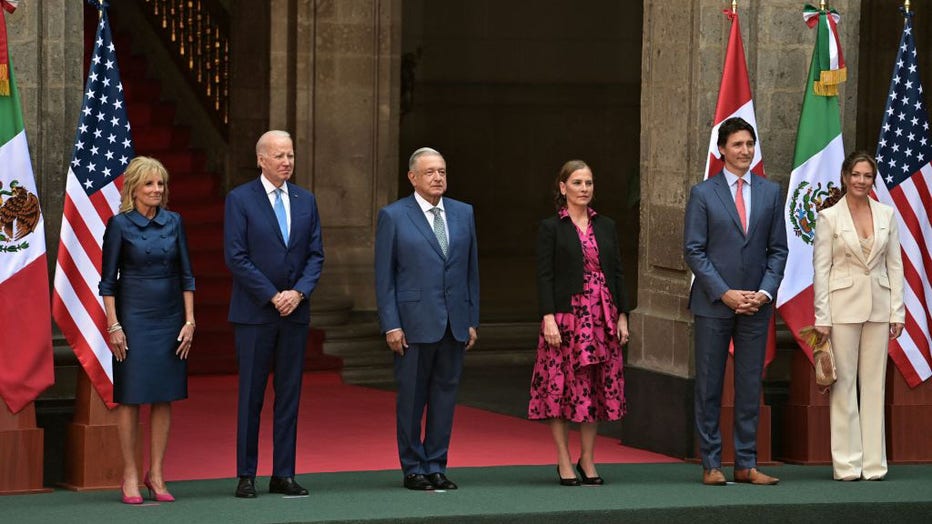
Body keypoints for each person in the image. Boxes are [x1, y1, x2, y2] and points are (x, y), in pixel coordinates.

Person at [683, 117, 787, 486]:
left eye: (750, 144)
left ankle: (746, 463)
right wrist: (725, 293)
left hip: (756, 305)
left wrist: (763, 292)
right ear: (722, 149)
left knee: (748, 386)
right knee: (709, 385)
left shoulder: (771, 192)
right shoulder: (703, 193)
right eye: (738, 144)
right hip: (714, 303)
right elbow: (694, 251)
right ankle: (712, 464)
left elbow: (778, 251)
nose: (745, 151)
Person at [224, 130, 324, 498]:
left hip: (295, 313)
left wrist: (297, 293)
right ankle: (246, 474)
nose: (286, 162)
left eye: (291, 156)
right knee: (251, 396)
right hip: (255, 314)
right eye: (279, 156)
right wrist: (272, 295)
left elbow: (316, 255)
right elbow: (236, 256)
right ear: (261, 159)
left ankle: (284, 473)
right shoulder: (240, 199)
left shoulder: (306, 200)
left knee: (289, 396)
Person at [374, 147, 479, 490]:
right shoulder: (394, 216)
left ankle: (436, 464)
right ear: (412, 177)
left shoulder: (464, 213)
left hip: (454, 322)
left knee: (445, 396)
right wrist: (391, 323)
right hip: (413, 323)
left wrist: (471, 319)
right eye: (431, 172)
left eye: (442, 171)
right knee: (412, 397)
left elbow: (470, 271)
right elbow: (384, 276)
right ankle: (413, 467)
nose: (438, 177)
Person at [99, 156, 195, 504]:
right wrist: (114, 326)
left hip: (170, 319)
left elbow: (187, 275)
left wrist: (190, 321)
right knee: (130, 397)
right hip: (133, 319)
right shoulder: (119, 225)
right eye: (150, 184)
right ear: (134, 189)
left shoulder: (175, 222)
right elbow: (107, 282)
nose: (157, 190)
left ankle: (156, 473)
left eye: (161, 184)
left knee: (163, 395)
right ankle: (129, 475)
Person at [528, 160, 629, 486]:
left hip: (602, 317)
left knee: (595, 388)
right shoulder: (550, 228)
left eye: (588, 182)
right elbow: (544, 276)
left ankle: (588, 458)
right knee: (562, 388)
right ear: (563, 187)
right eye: (577, 182)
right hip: (566, 317)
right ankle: (563, 459)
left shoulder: (607, 225)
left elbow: (617, 272)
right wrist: (548, 318)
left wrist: (623, 314)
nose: (584, 188)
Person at [812, 151, 904, 481]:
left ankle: (875, 465)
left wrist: (898, 312)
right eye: (856, 174)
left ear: (873, 179)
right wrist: (821, 316)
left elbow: (895, 265)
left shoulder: (886, 214)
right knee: (844, 385)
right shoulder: (829, 218)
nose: (861, 181)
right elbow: (821, 270)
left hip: (879, 308)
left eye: (867, 176)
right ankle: (847, 465)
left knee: (874, 385)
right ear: (845, 176)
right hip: (841, 309)